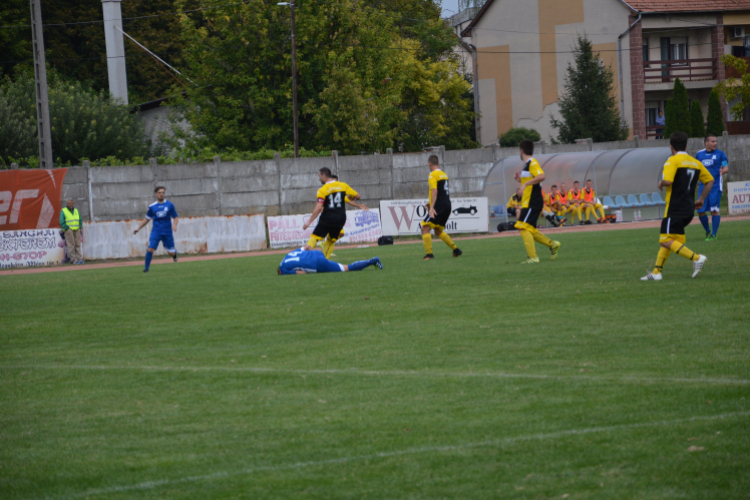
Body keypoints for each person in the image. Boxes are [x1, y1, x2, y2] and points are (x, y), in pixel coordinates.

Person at [641, 132, 713, 281]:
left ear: (671, 147)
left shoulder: (672, 161)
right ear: (686, 146)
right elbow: (710, 180)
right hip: (688, 208)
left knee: (665, 240)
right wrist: (701, 198)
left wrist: (660, 183)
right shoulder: (695, 162)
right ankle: (656, 272)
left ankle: (697, 258)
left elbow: (668, 181)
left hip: (674, 208)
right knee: (670, 241)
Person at [514, 140, 561, 264]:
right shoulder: (526, 165)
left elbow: (542, 176)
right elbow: (531, 182)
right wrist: (521, 181)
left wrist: (525, 184)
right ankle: (553, 244)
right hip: (528, 202)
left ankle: (533, 257)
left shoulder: (532, 163)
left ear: (521, 151)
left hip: (532, 202)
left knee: (522, 227)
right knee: (530, 230)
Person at [302, 168, 360, 259]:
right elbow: (358, 196)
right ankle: (324, 261)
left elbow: (318, 208)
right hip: (341, 218)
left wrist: (309, 222)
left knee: (315, 237)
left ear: (324, 176)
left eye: (319, 176)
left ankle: (304, 257)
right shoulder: (343, 185)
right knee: (331, 240)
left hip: (327, 217)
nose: (319, 178)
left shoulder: (322, 190)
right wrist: (351, 197)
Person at [420, 154, 462, 260]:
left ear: (429, 164)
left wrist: (432, 207)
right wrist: (431, 203)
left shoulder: (432, 175)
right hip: (447, 204)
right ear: (438, 163)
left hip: (439, 206)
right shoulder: (444, 174)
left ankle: (429, 255)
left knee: (425, 228)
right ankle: (456, 250)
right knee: (438, 231)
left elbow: (435, 190)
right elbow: (441, 192)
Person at [133, 186, 179, 273]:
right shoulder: (152, 207)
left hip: (167, 232)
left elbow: (176, 217)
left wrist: (174, 225)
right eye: (159, 192)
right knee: (150, 248)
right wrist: (138, 228)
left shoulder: (170, 205)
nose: (161, 194)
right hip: (156, 232)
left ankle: (174, 253)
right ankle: (146, 269)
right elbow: (147, 219)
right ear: (156, 194)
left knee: (171, 253)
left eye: (163, 192)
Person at [695, 134, 729, 241]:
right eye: (713, 141)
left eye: (716, 141)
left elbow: (726, 168)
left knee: (714, 210)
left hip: (715, 186)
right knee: (700, 210)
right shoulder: (699, 154)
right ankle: (708, 231)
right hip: (703, 186)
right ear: (706, 143)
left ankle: (714, 234)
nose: (715, 143)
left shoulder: (720, 154)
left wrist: (722, 171)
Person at [278, 247, 382, 274]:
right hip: (316, 253)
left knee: (346, 268)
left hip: (317, 263)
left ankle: (372, 261)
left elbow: (302, 273)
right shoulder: (287, 255)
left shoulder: (283, 270)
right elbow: (307, 247)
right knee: (344, 267)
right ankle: (371, 261)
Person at [60, 198, 84, 265]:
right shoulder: (63, 211)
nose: (71, 205)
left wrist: (79, 227)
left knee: (78, 244)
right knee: (71, 244)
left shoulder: (76, 210)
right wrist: (66, 228)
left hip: (76, 229)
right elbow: (61, 221)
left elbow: (80, 219)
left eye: (72, 203)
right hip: (69, 229)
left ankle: (80, 258)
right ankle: (74, 260)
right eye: (69, 203)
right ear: (67, 204)